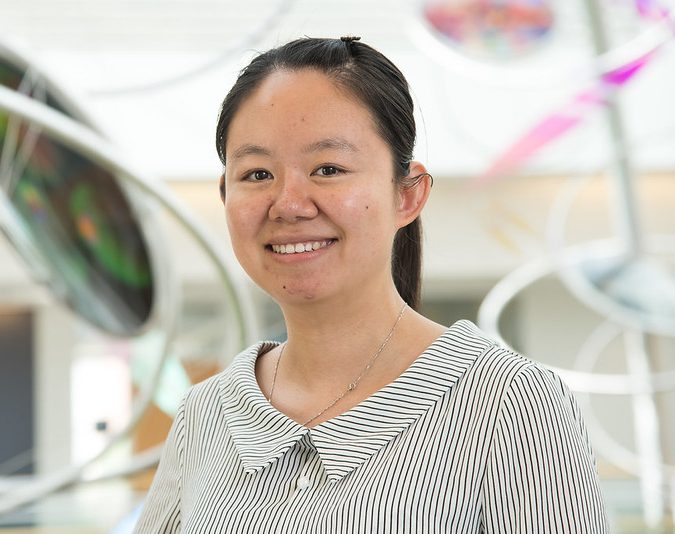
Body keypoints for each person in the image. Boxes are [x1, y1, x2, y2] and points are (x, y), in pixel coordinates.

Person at [134, 37, 608, 533]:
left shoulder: (512, 403)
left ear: (407, 195)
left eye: (328, 169)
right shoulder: (206, 413)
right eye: (257, 174)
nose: (288, 203)